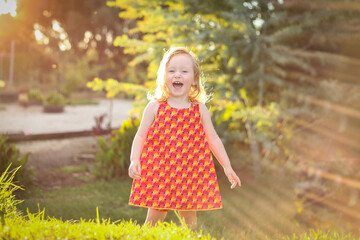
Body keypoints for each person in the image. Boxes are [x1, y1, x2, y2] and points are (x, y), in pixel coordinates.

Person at [128, 47, 241, 228]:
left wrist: (227, 166)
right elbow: (140, 135)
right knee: (154, 219)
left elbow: (213, 139)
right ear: (164, 77)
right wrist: (135, 160)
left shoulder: (199, 109)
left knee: (190, 224)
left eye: (184, 71)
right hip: (161, 173)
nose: (177, 75)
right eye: (171, 70)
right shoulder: (155, 107)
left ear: (195, 80)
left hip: (189, 174)